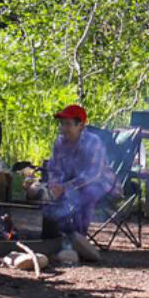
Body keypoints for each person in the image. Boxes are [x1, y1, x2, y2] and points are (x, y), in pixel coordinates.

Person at [37, 104, 110, 263]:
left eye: (68, 124)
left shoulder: (93, 142)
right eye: (62, 123)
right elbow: (54, 169)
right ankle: (57, 238)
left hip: (99, 182)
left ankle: (78, 240)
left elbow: (93, 174)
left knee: (85, 194)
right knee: (47, 197)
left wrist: (65, 187)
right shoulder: (60, 142)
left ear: (81, 125)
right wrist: (54, 186)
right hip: (70, 184)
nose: (64, 128)